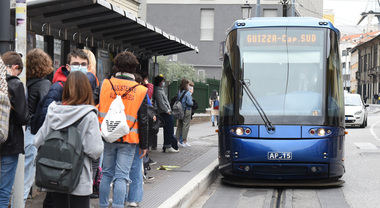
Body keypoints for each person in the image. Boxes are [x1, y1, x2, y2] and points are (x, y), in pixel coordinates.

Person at [34, 71, 103, 208]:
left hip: (55, 175)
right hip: (79, 178)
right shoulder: (89, 115)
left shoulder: (54, 111)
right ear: (87, 90)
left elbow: (38, 141)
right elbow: (94, 150)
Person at [39, 48, 91, 207]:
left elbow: (39, 139)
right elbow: (94, 149)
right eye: (76, 64)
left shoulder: (54, 108)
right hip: (78, 175)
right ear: (67, 66)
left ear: (88, 67)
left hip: (56, 171)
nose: (80, 67)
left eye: (83, 64)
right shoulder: (58, 88)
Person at [98, 51, 149, 208]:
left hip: (107, 136)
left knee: (106, 174)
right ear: (134, 69)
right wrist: (144, 145)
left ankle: (103, 204)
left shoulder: (104, 85)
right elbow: (143, 120)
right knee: (122, 176)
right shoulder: (140, 90)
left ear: (116, 66)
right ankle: (119, 205)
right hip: (128, 139)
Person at [23, 49, 54, 205]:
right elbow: (45, 109)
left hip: (20, 131)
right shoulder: (44, 84)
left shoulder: (24, 81)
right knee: (26, 175)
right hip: (32, 132)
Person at [0, 51, 30, 207]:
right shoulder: (15, 84)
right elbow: (22, 117)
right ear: (15, 67)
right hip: (9, 144)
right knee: (3, 192)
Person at [154, 75, 179, 153]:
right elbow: (161, 102)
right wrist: (167, 110)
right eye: (162, 81)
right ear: (159, 82)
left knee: (169, 129)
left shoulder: (160, 89)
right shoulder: (158, 91)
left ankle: (167, 145)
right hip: (164, 112)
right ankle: (168, 145)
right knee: (169, 129)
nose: (163, 82)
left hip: (166, 111)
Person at [175, 78, 193, 147]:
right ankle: (184, 142)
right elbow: (190, 103)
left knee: (179, 125)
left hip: (180, 110)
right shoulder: (187, 93)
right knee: (186, 126)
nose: (188, 86)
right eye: (188, 84)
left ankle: (177, 141)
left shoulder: (180, 91)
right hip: (187, 110)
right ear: (186, 84)